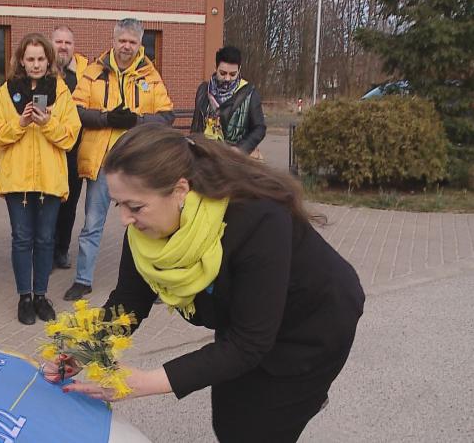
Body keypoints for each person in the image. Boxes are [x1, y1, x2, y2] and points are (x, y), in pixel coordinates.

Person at [50, 124, 365, 442]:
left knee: (257, 429)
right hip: (247, 318)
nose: (125, 220)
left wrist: (143, 382)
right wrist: (84, 349)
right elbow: (129, 302)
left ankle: (305, 395)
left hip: (312, 322)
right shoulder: (145, 229)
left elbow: (247, 344)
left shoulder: (257, 217)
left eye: (136, 206)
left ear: (180, 190)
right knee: (229, 417)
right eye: (120, 205)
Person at [64, 18, 174, 302]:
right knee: (92, 223)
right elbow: (74, 110)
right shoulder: (93, 72)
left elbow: (166, 116)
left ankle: (155, 281)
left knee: (149, 224)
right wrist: (105, 119)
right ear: (113, 41)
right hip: (102, 162)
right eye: (122, 40)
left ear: (140, 44)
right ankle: (83, 280)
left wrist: (136, 120)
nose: (127, 46)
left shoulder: (150, 75)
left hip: (137, 164)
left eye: (132, 42)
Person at [0, 33, 81, 325]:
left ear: (48, 61)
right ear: (21, 61)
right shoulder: (6, 91)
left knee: (45, 239)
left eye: (41, 59)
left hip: (50, 180)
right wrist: (21, 122)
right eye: (31, 59)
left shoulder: (61, 92)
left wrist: (47, 123)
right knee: (22, 239)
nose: (36, 64)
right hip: (18, 181)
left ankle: (41, 295)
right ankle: (24, 297)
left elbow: (70, 137)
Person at [51, 25, 88, 270]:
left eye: (68, 42)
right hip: (50, 149)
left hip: (77, 150)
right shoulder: (44, 72)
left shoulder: (87, 73)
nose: (63, 46)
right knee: (49, 203)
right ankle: (46, 250)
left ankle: (61, 249)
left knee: (70, 204)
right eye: (59, 42)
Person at [190, 46, 266, 159]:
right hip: (204, 156)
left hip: (233, 160)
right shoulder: (203, 90)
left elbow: (259, 128)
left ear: (239, 70)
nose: (227, 78)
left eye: (232, 74)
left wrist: (241, 149)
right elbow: (196, 124)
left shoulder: (250, 93)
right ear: (215, 68)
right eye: (223, 73)